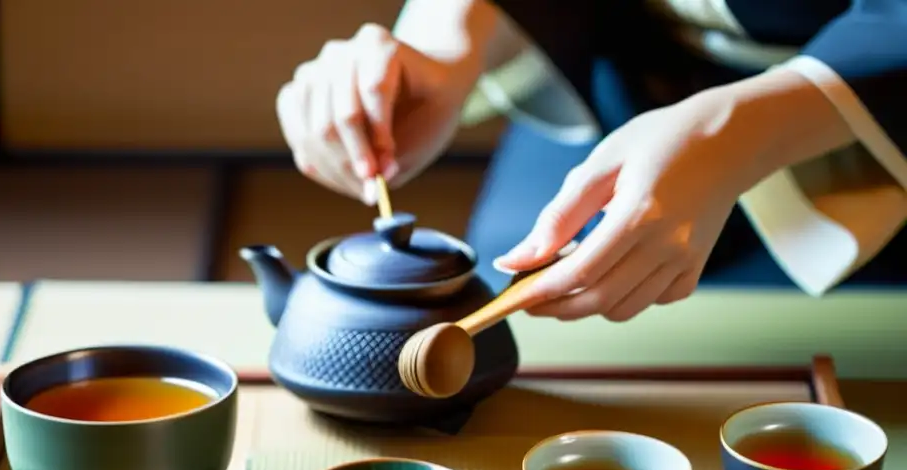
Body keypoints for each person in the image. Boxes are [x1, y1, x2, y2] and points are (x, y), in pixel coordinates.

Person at [275, 0, 907, 323]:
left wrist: (739, 131)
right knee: (520, 276)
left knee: (821, 356)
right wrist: (445, 38)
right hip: (616, 71)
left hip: (866, 97)